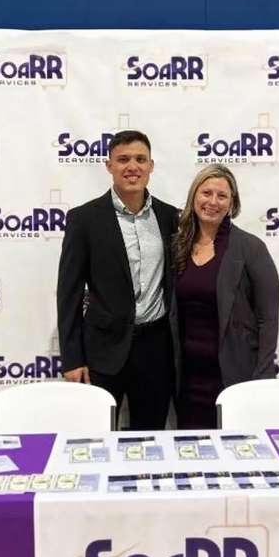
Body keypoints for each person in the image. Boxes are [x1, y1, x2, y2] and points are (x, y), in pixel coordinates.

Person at [56, 130, 178, 428]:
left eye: (140, 159)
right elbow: (69, 293)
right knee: (96, 435)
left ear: (151, 166)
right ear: (109, 165)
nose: (132, 167)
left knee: (151, 436)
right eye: (123, 159)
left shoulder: (170, 217)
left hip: (156, 349)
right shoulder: (84, 219)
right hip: (102, 351)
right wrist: (72, 358)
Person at [172, 164, 279, 428]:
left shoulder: (250, 248)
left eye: (222, 196)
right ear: (194, 196)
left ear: (232, 203)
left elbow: (268, 319)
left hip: (234, 376)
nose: (213, 201)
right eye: (206, 193)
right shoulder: (178, 245)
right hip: (187, 379)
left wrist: (263, 377)